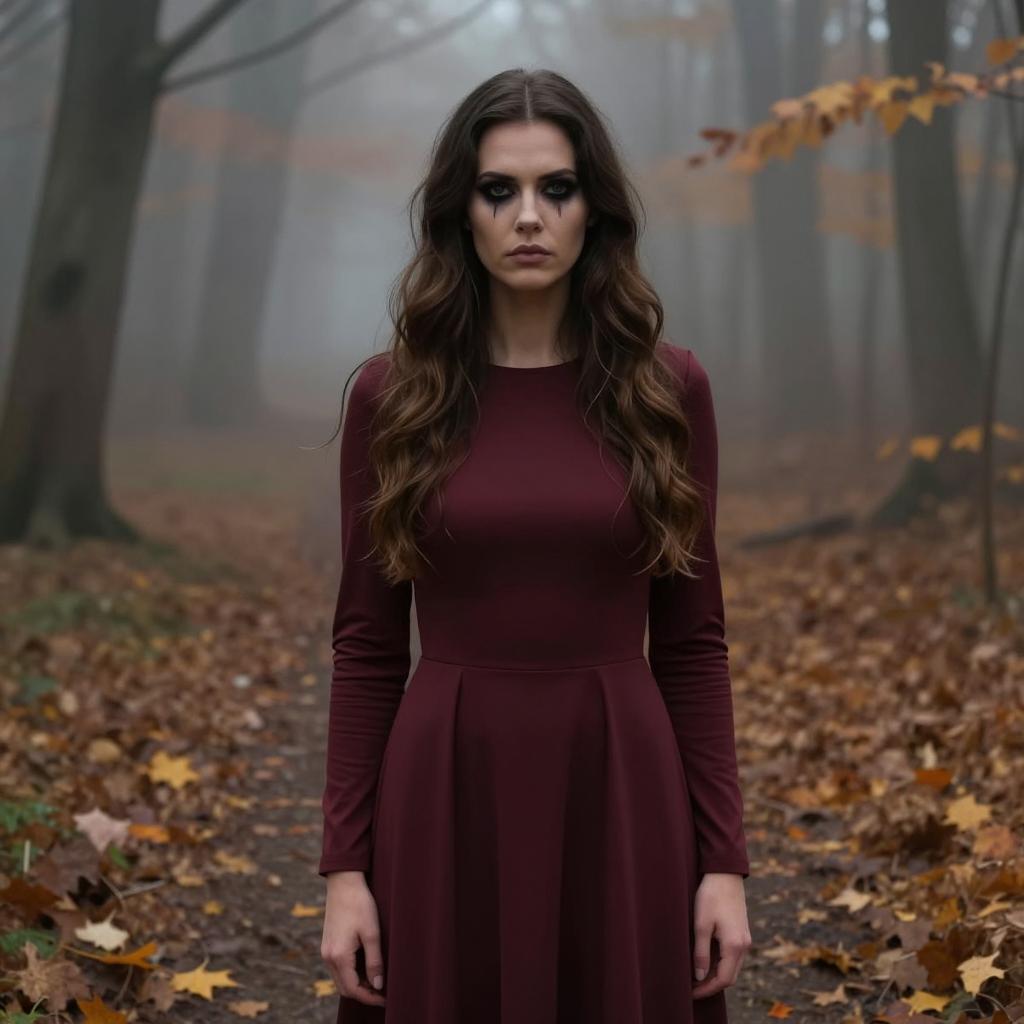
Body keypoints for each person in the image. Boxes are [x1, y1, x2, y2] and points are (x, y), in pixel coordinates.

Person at [318, 67, 752, 1024]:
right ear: (458, 212)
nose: (528, 216)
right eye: (497, 189)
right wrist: (345, 871)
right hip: (445, 788)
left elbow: (693, 643)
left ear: (595, 210)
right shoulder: (393, 399)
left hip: (621, 784)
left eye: (557, 188)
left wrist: (723, 864)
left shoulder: (666, 392)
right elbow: (368, 645)